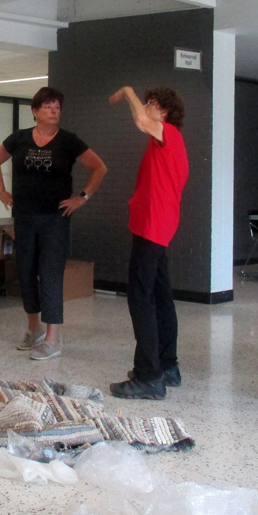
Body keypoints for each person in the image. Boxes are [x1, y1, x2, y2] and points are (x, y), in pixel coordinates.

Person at [0, 87, 107, 361]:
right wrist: (0, 190)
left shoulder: (68, 141)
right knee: (27, 271)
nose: (53, 111)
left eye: (57, 107)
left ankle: (53, 339)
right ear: (35, 110)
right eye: (48, 107)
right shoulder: (19, 139)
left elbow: (99, 167)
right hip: (25, 216)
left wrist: (82, 197)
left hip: (55, 219)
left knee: (50, 274)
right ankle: (34, 330)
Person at [107, 86, 189, 400]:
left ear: (164, 111)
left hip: (153, 226)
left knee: (140, 297)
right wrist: (135, 103)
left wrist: (128, 91)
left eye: (151, 102)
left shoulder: (167, 132)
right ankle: (168, 366)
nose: (146, 106)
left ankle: (149, 377)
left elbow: (141, 120)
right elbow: (141, 119)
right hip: (158, 225)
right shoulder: (165, 140)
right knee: (160, 295)